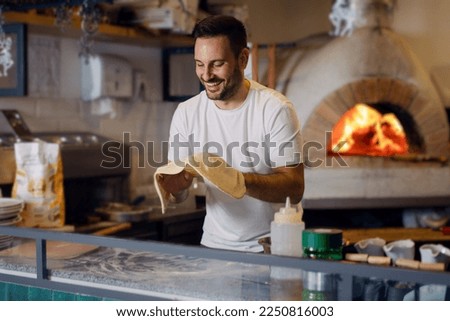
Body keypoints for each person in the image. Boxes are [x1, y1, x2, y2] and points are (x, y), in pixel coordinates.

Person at [157, 15, 304, 252]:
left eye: (217, 64)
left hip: (272, 246)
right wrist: (180, 180)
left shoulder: (275, 109)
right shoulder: (186, 113)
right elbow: (179, 194)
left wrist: (235, 179)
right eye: (199, 64)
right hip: (214, 246)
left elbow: (294, 188)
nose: (206, 75)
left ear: (243, 59)